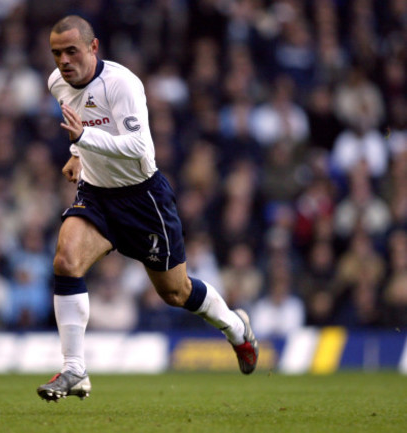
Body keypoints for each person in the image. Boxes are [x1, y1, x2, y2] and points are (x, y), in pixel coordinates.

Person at [37, 15, 258, 402]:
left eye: (71, 51)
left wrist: (83, 139)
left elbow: (139, 148)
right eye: (56, 53)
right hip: (97, 195)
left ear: (93, 47)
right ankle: (74, 369)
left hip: (143, 198)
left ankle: (236, 329)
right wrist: (76, 153)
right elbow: (80, 122)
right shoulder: (57, 83)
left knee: (175, 292)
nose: (63, 61)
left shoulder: (122, 84)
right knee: (65, 261)